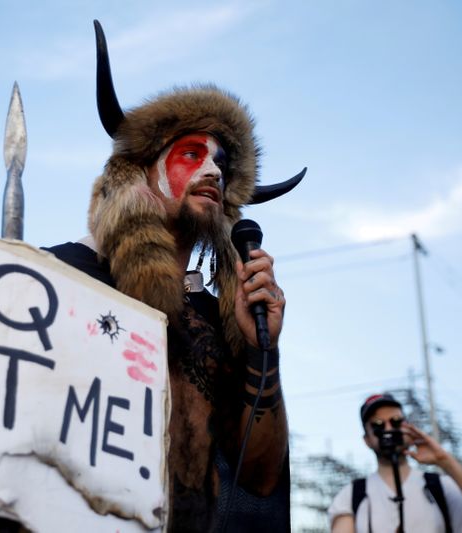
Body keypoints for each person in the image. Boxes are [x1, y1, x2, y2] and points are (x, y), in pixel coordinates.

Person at [44, 21, 306, 532]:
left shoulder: (217, 317)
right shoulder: (60, 276)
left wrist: (261, 350)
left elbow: (259, 475)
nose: (214, 171)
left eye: (221, 164)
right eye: (192, 154)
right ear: (142, 171)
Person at [327, 393, 462, 533]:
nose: (389, 429)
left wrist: (445, 460)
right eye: (378, 425)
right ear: (367, 439)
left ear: (407, 428)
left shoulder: (441, 486)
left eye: (396, 422)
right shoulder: (351, 495)